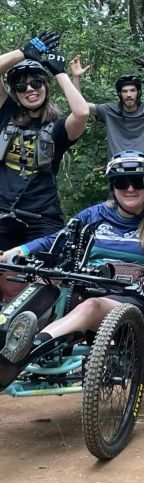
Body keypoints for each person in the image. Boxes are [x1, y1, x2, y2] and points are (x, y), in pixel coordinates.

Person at [0, 151, 144, 384]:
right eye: (122, 182)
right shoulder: (93, 215)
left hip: (137, 298)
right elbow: (54, 241)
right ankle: (7, 342)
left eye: (138, 181)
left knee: (92, 306)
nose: (130, 188)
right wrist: (16, 252)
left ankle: (26, 352)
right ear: (113, 186)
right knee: (44, 287)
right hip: (88, 285)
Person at [0, 35, 90, 302]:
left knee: (34, 287)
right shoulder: (5, 114)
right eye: (21, 85)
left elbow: (82, 113)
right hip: (4, 214)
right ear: (14, 92)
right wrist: (23, 52)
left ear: (45, 87)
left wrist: (59, 72)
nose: (30, 89)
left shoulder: (59, 128)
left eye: (36, 82)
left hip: (42, 218)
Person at [69, 55, 144, 160]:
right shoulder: (109, 111)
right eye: (125, 91)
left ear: (138, 93)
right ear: (119, 94)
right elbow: (80, 107)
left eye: (132, 90)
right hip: (117, 168)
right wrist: (76, 77)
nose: (129, 95)